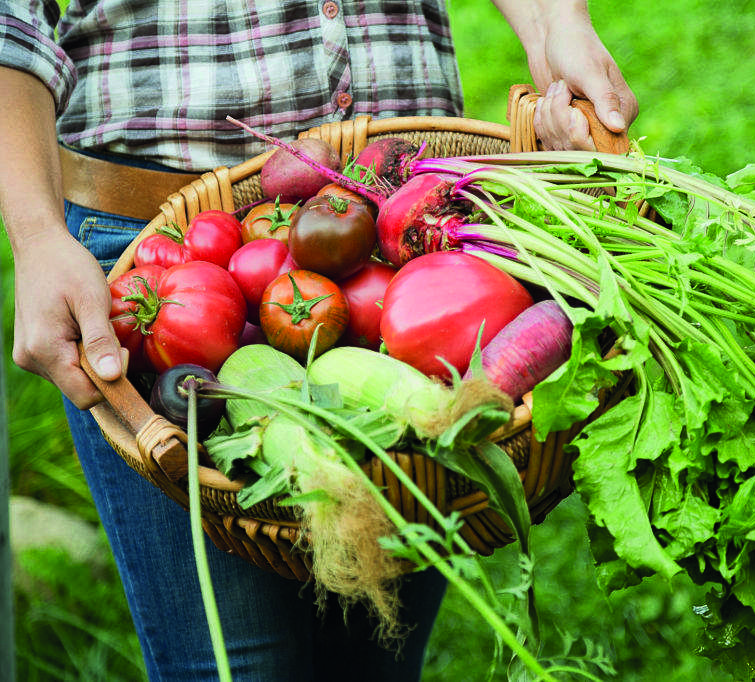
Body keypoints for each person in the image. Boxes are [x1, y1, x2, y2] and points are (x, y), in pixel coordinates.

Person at [0, 1, 637, 679]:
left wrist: (555, 27)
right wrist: (37, 235)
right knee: (232, 668)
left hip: (412, 219)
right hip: (158, 248)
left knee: (376, 666)